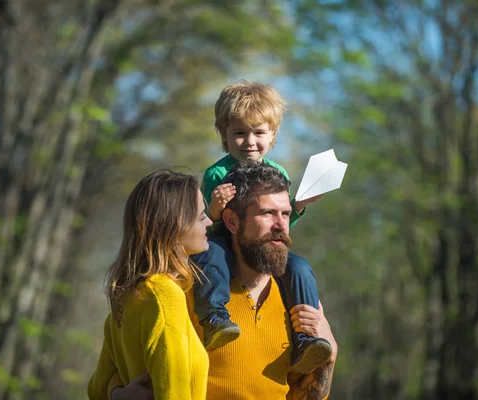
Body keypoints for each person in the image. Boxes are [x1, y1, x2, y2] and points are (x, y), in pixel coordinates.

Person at [109, 161, 338, 400]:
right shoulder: (183, 290)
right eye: (268, 213)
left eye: (286, 214)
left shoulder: (295, 300)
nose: (281, 225)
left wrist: (330, 353)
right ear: (231, 221)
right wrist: (116, 394)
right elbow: (120, 359)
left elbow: (300, 394)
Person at [193, 80, 331, 374]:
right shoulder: (217, 172)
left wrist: (299, 205)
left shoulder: (278, 171)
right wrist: (216, 206)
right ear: (225, 137)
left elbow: (277, 226)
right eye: (239, 133)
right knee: (211, 257)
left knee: (300, 267)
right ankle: (215, 317)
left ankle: (306, 338)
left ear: (272, 136)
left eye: (259, 132)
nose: (250, 141)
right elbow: (211, 221)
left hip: (259, 246)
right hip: (222, 241)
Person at [87, 170, 212, 400]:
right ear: (176, 225)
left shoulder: (128, 295)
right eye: (201, 216)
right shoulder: (164, 295)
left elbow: (97, 388)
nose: (210, 222)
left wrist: (118, 395)